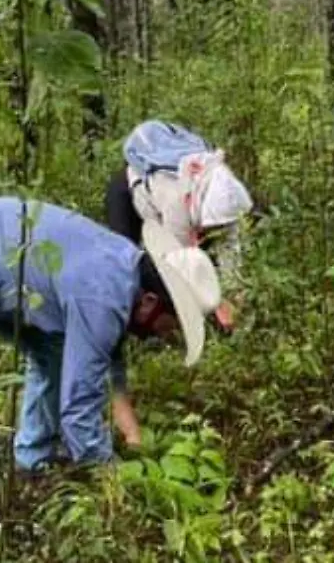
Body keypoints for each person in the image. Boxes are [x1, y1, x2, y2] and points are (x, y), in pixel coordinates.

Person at [0, 196, 220, 554]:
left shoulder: (123, 268)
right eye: (172, 324)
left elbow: (105, 351)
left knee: (55, 354)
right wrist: (113, 478)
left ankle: (31, 464)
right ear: (149, 301)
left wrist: (126, 423)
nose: (168, 335)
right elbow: (79, 412)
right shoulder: (103, 298)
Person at [101, 119, 253, 445]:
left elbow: (231, 250)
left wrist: (233, 300)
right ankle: (132, 338)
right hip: (129, 196)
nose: (214, 232)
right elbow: (179, 265)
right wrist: (208, 306)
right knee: (125, 269)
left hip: (171, 215)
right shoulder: (177, 201)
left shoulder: (224, 192)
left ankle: (178, 334)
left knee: (210, 297)